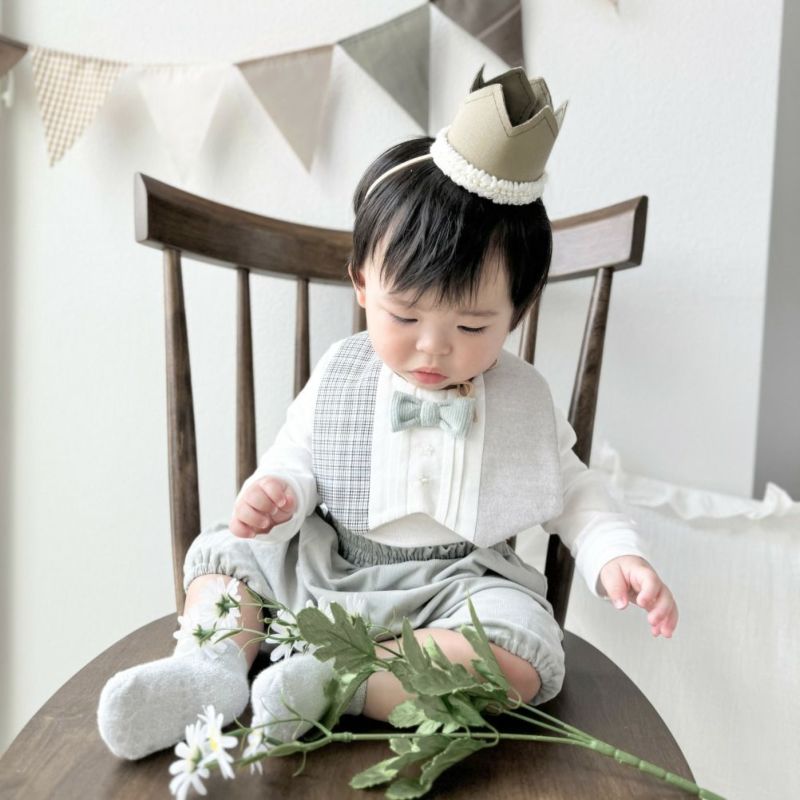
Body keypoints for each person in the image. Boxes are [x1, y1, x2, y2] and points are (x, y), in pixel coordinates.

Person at [97, 65, 678, 761]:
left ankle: (337, 683)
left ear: (518, 312)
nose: (433, 346)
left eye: (471, 327)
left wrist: (616, 555)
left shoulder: (524, 399)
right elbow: (298, 455)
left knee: (521, 658)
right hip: (328, 567)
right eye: (405, 315)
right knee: (229, 558)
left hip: (457, 593)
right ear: (362, 286)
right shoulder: (343, 372)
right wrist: (277, 493)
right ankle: (209, 669)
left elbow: (575, 490)